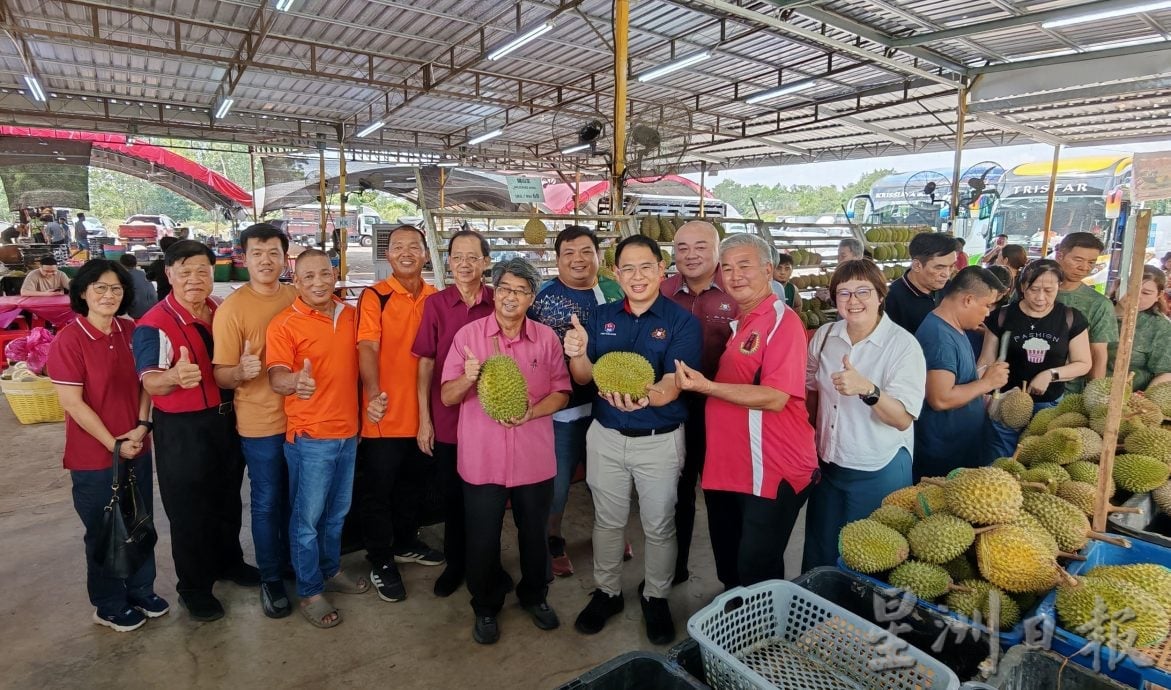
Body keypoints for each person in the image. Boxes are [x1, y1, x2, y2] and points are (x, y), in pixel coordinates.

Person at [564, 234, 701, 646]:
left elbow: (673, 385)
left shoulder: (681, 322)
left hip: (659, 440)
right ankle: (606, 591)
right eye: (628, 268)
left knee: (659, 524)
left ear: (662, 270)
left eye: (646, 267)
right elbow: (584, 377)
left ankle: (655, 595)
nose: (637, 276)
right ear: (616, 273)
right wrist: (576, 351)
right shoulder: (601, 315)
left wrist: (641, 397)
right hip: (605, 436)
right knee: (607, 522)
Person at [672, 234, 818, 588]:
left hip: (770, 468)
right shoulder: (743, 323)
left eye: (745, 266)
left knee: (757, 569)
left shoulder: (782, 322)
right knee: (730, 564)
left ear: (769, 270)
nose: (735, 275)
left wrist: (707, 387)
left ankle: (763, 638)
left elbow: (776, 396)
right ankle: (733, 630)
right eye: (727, 268)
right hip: (732, 466)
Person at [440, 258, 570, 645]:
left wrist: (534, 410)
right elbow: (447, 397)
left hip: (534, 456)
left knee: (534, 534)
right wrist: (468, 377)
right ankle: (485, 605)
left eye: (521, 290)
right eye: (506, 289)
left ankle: (535, 596)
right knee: (482, 537)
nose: (512, 297)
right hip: (483, 459)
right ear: (494, 292)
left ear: (532, 298)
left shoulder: (546, 338)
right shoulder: (468, 337)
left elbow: (562, 393)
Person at [133, 240, 257, 622]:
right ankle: (194, 586)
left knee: (227, 499)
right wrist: (173, 376)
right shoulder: (153, 323)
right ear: (168, 275)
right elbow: (150, 382)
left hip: (224, 420)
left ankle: (229, 562)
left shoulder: (219, 310)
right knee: (189, 510)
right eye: (184, 272)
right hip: (183, 429)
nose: (194, 279)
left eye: (202, 271)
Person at [48, 259, 168, 633]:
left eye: (116, 288)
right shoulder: (69, 339)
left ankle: (142, 589)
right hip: (95, 456)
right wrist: (113, 442)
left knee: (139, 521)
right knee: (105, 530)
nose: (108, 295)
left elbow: (144, 383)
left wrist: (142, 426)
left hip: (137, 444)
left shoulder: (132, 330)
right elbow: (73, 404)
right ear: (83, 292)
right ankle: (109, 602)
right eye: (99, 287)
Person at [267, 249, 370, 629]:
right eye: (308, 277)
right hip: (310, 438)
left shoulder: (350, 315)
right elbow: (276, 376)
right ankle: (309, 590)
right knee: (306, 520)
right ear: (296, 282)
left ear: (334, 275)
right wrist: (295, 382)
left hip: (348, 434)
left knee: (337, 515)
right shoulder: (284, 324)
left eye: (324, 274)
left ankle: (329, 570)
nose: (317, 283)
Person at [802, 259, 926, 572]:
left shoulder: (903, 346)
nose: (853, 301)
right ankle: (815, 614)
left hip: (878, 466)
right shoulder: (825, 337)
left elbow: (902, 419)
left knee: (870, 560)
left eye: (863, 291)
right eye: (843, 293)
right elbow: (811, 390)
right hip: (829, 463)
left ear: (880, 295)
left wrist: (867, 389)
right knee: (821, 551)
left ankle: (858, 619)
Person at [211, 223, 299, 618]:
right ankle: (271, 578)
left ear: (285, 257)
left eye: (273, 252)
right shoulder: (232, 310)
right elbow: (219, 374)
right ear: (244, 258)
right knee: (266, 501)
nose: (266, 260)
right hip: (260, 423)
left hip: (304, 419)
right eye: (257, 253)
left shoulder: (298, 297)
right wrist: (241, 373)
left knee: (297, 500)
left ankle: (291, 564)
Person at [527, 226, 623, 577]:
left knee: (607, 478)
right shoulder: (543, 297)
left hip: (610, 404)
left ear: (599, 256)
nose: (578, 259)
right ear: (557, 259)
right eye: (569, 253)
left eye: (586, 251)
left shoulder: (615, 290)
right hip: (562, 408)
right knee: (559, 480)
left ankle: (609, 533)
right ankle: (553, 537)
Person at [356, 224, 440, 603]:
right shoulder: (375, 296)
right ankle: (380, 558)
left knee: (413, 487)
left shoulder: (437, 297)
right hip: (385, 414)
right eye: (397, 247)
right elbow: (368, 346)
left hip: (424, 414)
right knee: (379, 492)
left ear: (425, 254)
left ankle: (407, 542)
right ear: (387, 256)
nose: (406, 252)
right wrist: (373, 392)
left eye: (414, 246)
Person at [411, 229, 494, 597]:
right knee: (453, 497)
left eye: (472, 257)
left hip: (489, 418)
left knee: (487, 499)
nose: (464, 264)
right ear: (448, 262)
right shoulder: (437, 304)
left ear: (486, 263)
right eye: (457, 256)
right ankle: (456, 564)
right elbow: (425, 363)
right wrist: (424, 419)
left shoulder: (499, 301)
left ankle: (485, 565)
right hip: (446, 417)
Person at [659, 220, 734, 584]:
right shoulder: (664, 290)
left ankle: (730, 580)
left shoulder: (736, 290)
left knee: (722, 492)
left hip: (725, 407)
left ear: (717, 249)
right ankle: (676, 566)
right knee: (678, 489)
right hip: (676, 405)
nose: (690, 255)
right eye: (682, 247)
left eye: (700, 246)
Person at [979, 260, 1092, 460]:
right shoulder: (1002, 316)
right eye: (1034, 289)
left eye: (1049, 290)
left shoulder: (1070, 318)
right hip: (1005, 401)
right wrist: (982, 391)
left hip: (1048, 404)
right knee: (999, 458)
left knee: (1038, 457)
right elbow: (987, 359)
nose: (1041, 298)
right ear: (1023, 287)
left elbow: (1083, 363)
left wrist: (1050, 374)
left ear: (1059, 287)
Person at [913, 266, 1009, 479]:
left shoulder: (954, 328)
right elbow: (940, 398)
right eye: (987, 305)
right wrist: (987, 384)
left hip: (959, 445)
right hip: (943, 453)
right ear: (968, 300)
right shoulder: (939, 338)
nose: (988, 312)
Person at [1054, 232, 1118, 392]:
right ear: (1059, 255)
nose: (1085, 268)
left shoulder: (1100, 304)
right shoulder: (1031, 290)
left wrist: (1094, 395)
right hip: (1019, 385)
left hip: (1069, 393)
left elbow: (1099, 354)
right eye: (1078, 260)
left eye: (1091, 262)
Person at [1110, 265, 1171, 390]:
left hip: (1130, 397)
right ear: (1117, 285)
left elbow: (1166, 372)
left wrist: (1141, 400)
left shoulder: (1160, 327)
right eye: (1129, 288)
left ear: (1159, 295)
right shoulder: (1098, 310)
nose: (1136, 296)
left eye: (1146, 293)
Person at [886, 233, 957, 335]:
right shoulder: (890, 300)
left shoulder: (951, 289)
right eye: (939, 267)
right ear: (917, 265)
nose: (946, 274)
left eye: (951, 266)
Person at [117, 254, 158, 319]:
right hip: (152, 310)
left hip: (136, 314)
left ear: (121, 264)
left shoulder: (124, 277)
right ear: (136, 264)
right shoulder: (143, 273)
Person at [145, 236, 178, 301]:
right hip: (181, 297)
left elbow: (148, 278)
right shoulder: (183, 263)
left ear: (161, 248)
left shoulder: (157, 264)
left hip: (163, 297)